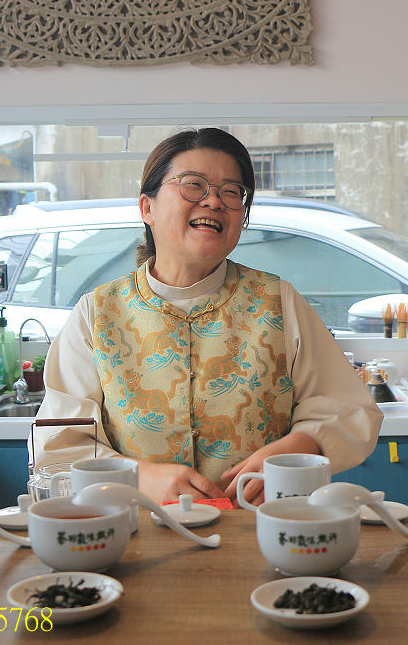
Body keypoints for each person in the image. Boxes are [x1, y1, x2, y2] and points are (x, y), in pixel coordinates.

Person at [31, 128, 382, 503]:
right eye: (193, 185)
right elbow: (59, 443)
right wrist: (136, 478)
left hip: (262, 526)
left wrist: (301, 445)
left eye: (231, 192)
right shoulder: (97, 312)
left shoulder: (278, 301)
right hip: (135, 526)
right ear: (147, 208)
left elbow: (350, 411)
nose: (214, 201)